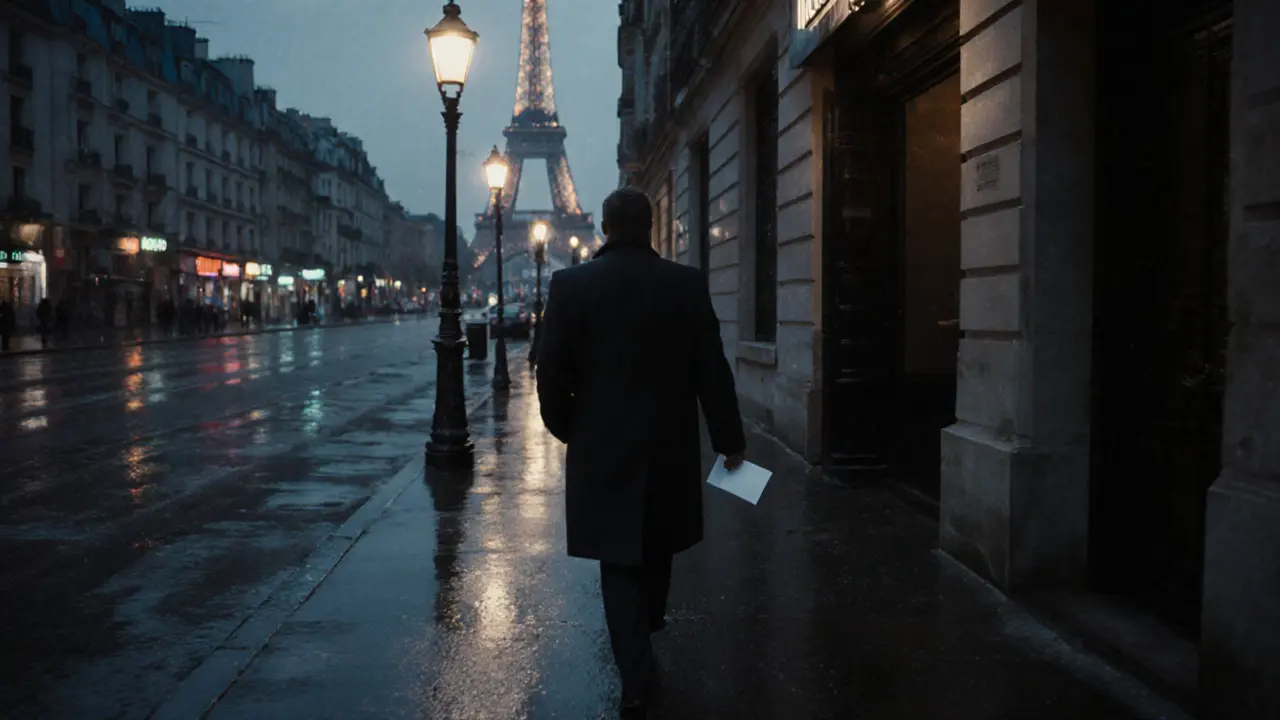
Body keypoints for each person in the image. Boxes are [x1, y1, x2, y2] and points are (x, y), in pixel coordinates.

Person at [535, 187, 746, 716]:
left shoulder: (570, 285)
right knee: (658, 543)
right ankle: (644, 641)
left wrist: (570, 430)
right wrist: (729, 441)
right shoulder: (685, 284)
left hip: (601, 445)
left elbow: (551, 372)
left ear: (603, 227)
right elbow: (711, 372)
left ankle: (634, 668)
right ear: (650, 226)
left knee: (617, 558)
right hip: (669, 442)